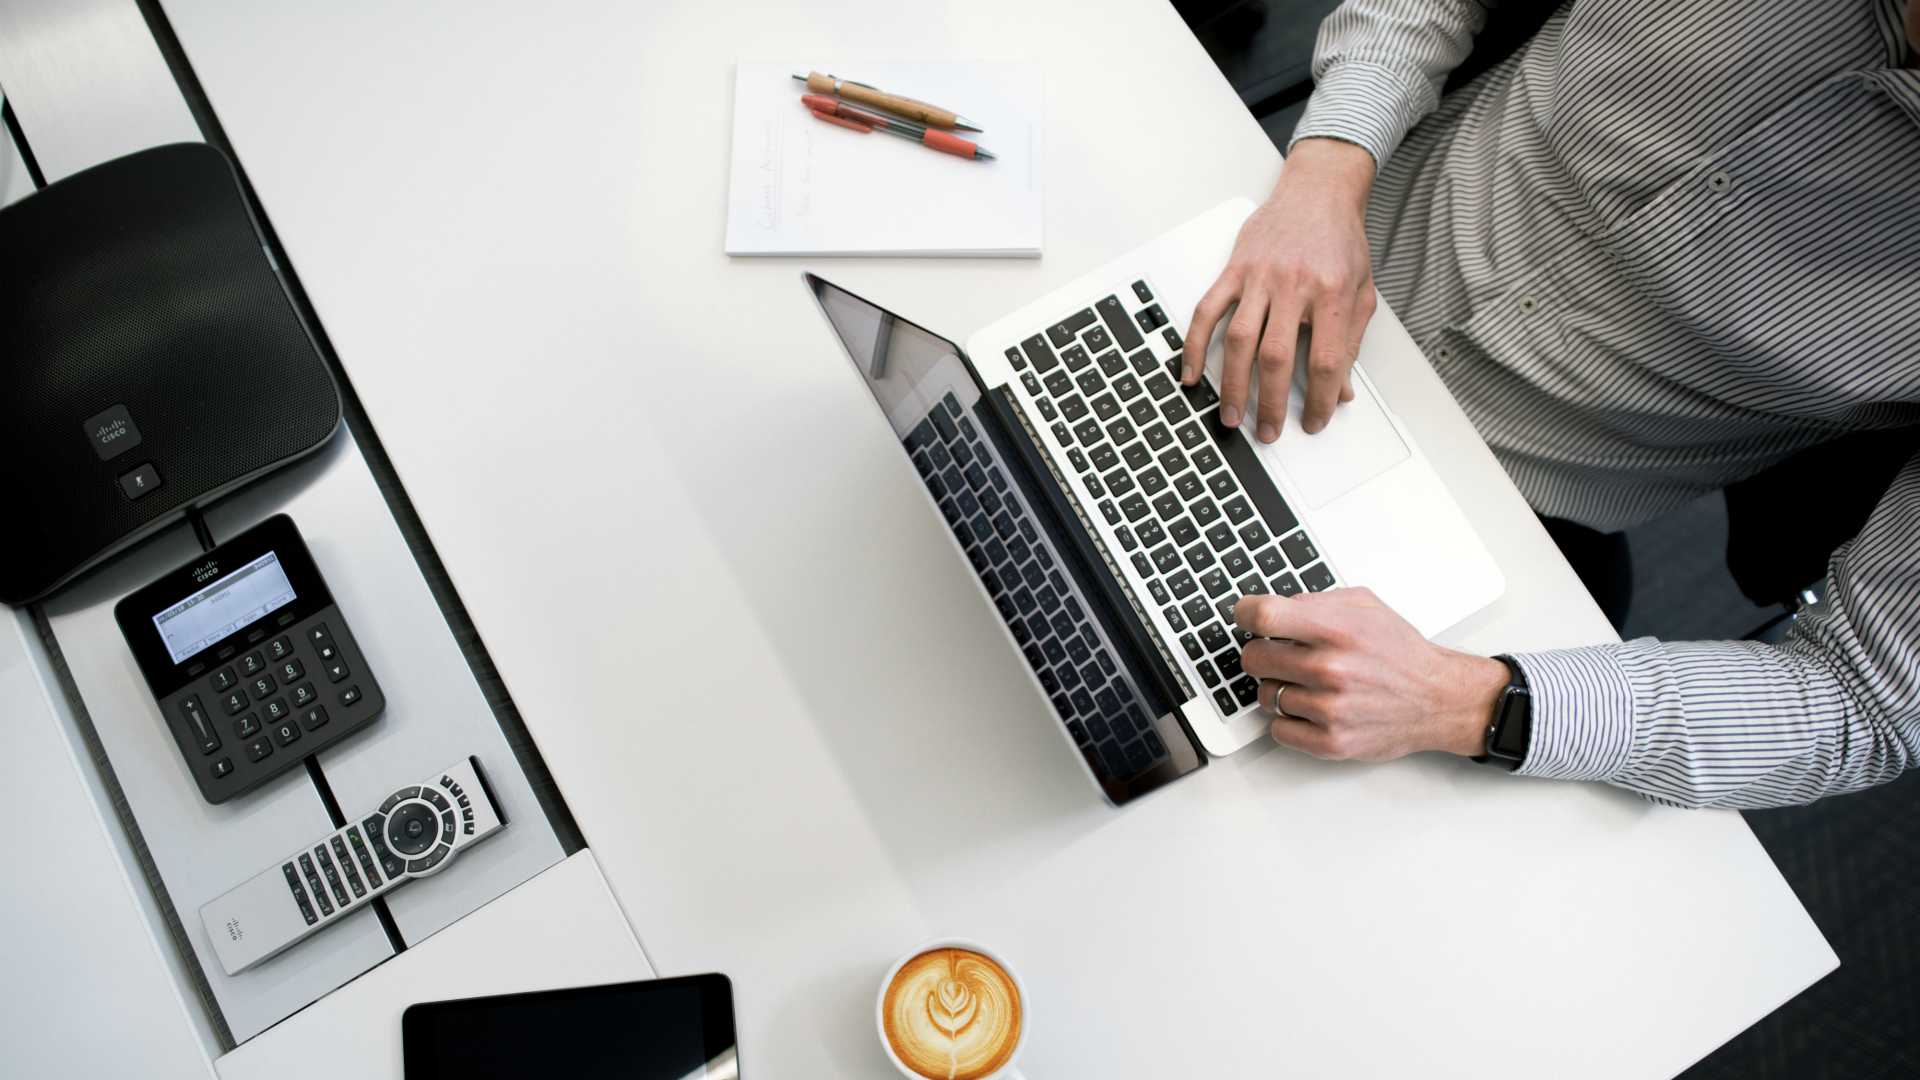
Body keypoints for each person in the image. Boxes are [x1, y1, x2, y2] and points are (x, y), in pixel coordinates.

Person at [1193, 0, 1920, 808]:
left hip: (1491, 525)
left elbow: (1864, 700)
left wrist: (1468, 702)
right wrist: (1327, 172)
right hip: (1275, 246)